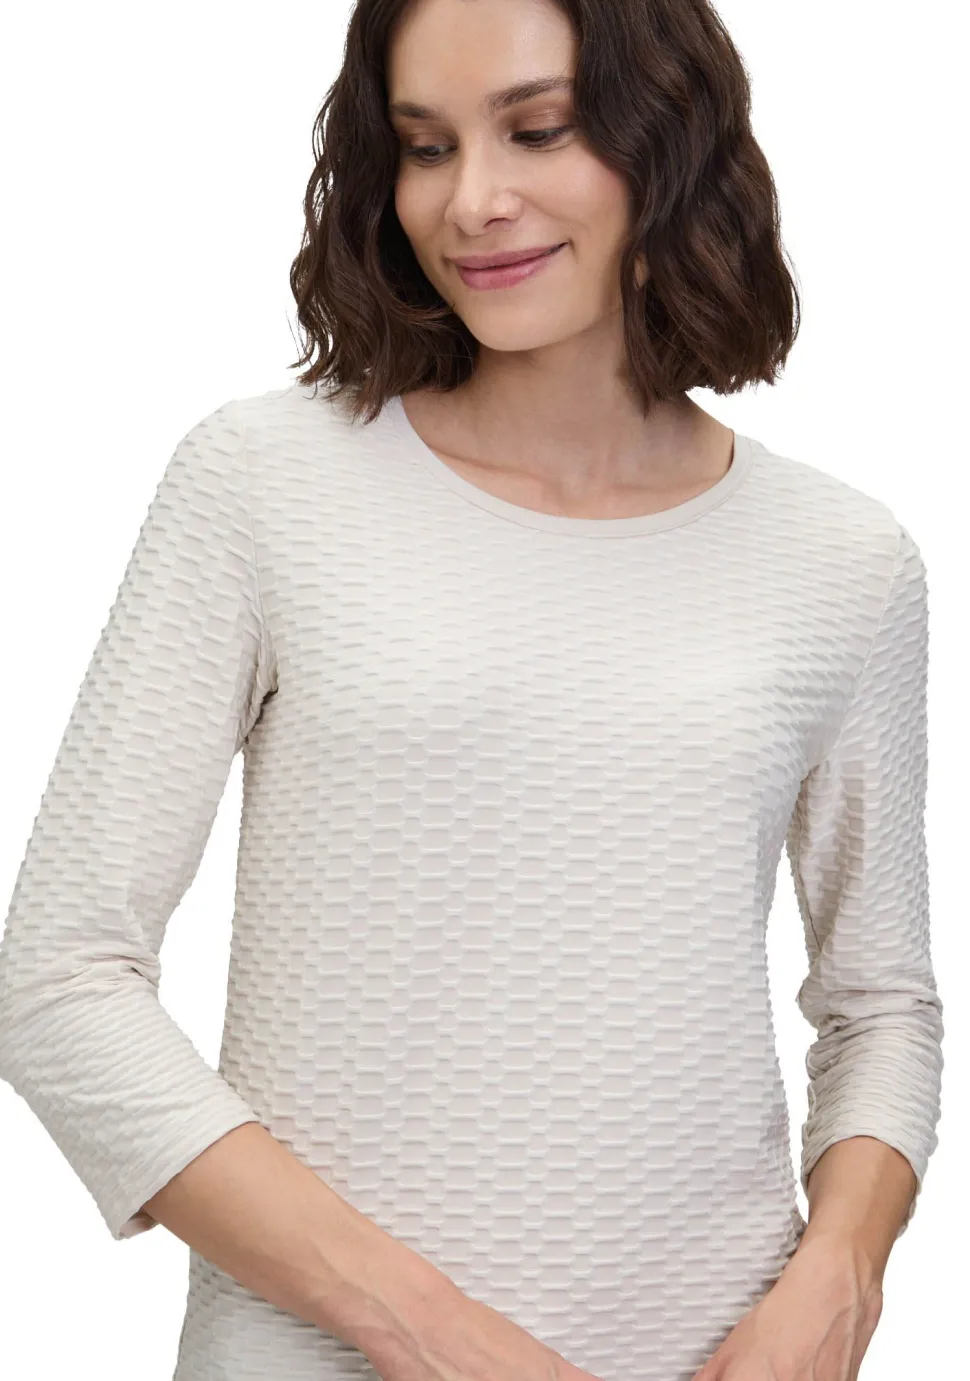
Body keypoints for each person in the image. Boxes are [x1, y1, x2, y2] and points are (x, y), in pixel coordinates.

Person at [0, 2, 944, 1380]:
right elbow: (59, 979)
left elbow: (880, 1007)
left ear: (670, 141)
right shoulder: (265, 484)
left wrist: (841, 1276)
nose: (471, 202)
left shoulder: (841, 560)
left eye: (537, 130)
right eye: (425, 147)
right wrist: (429, 1335)